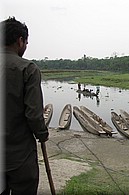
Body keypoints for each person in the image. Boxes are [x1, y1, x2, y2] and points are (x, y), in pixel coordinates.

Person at [1, 17, 49, 195]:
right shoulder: (27, 68)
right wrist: (42, 134)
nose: (26, 46)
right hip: (20, 156)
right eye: (26, 42)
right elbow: (34, 115)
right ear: (20, 40)